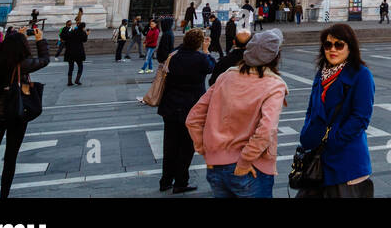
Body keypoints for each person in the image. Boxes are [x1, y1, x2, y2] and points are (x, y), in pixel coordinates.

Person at [187, 28, 287, 198]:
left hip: (216, 167)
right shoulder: (274, 85)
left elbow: (193, 119)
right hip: (250, 169)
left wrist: (206, 151)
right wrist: (245, 161)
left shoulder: (226, 76)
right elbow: (266, 130)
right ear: (275, 57)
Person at [295, 25, 374, 197]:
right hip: (316, 160)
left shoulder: (361, 75)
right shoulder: (322, 74)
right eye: (327, 45)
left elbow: (360, 119)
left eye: (339, 45)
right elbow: (311, 109)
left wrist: (332, 141)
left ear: (350, 47)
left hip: (345, 161)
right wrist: (307, 133)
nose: (332, 49)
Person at [0, 26, 50, 198]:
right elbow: (44, 60)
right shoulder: (21, 65)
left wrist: (16, 36)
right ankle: (4, 196)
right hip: (15, 114)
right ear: (21, 48)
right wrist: (39, 40)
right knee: (10, 159)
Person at [159, 27, 215, 193]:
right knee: (186, 147)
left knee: (169, 146)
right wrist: (206, 50)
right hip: (191, 109)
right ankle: (181, 182)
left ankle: (165, 180)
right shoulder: (200, 59)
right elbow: (212, 66)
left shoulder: (174, 57)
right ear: (198, 43)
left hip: (170, 107)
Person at [65, 21, 88, 85]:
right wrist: (87, 34)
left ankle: (69, 82)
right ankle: (77, 80)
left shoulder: (73, 31)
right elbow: (84, 40)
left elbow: (67, 37)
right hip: (78, 52)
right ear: (83, 27)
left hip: (70, 52)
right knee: (80, 66)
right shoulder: (82, 32)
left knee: (70, 67)